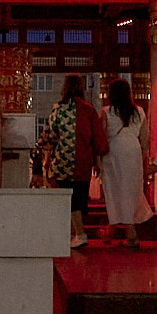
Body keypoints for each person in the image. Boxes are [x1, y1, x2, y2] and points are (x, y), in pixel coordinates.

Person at [33, 75, 106, 248]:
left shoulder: (58, 109)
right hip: (83, 161)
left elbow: (49, 136)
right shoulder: (89, 110)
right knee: (79, 198)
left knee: (67, 199)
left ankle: (78, 234)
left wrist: (42, 153)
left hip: (62, 161)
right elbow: (98, 138)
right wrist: (97, 161)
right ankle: (76, 234)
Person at [97, 78, 151, 248]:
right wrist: (143, 159)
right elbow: (145, 138)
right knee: (131, 190)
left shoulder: (107, 111)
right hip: (133, 151)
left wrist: (98, 160)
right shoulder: (139, 111)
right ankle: (117, 231)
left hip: (113, 152)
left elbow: (101, 137)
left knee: (113, 191)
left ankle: (130, 232)